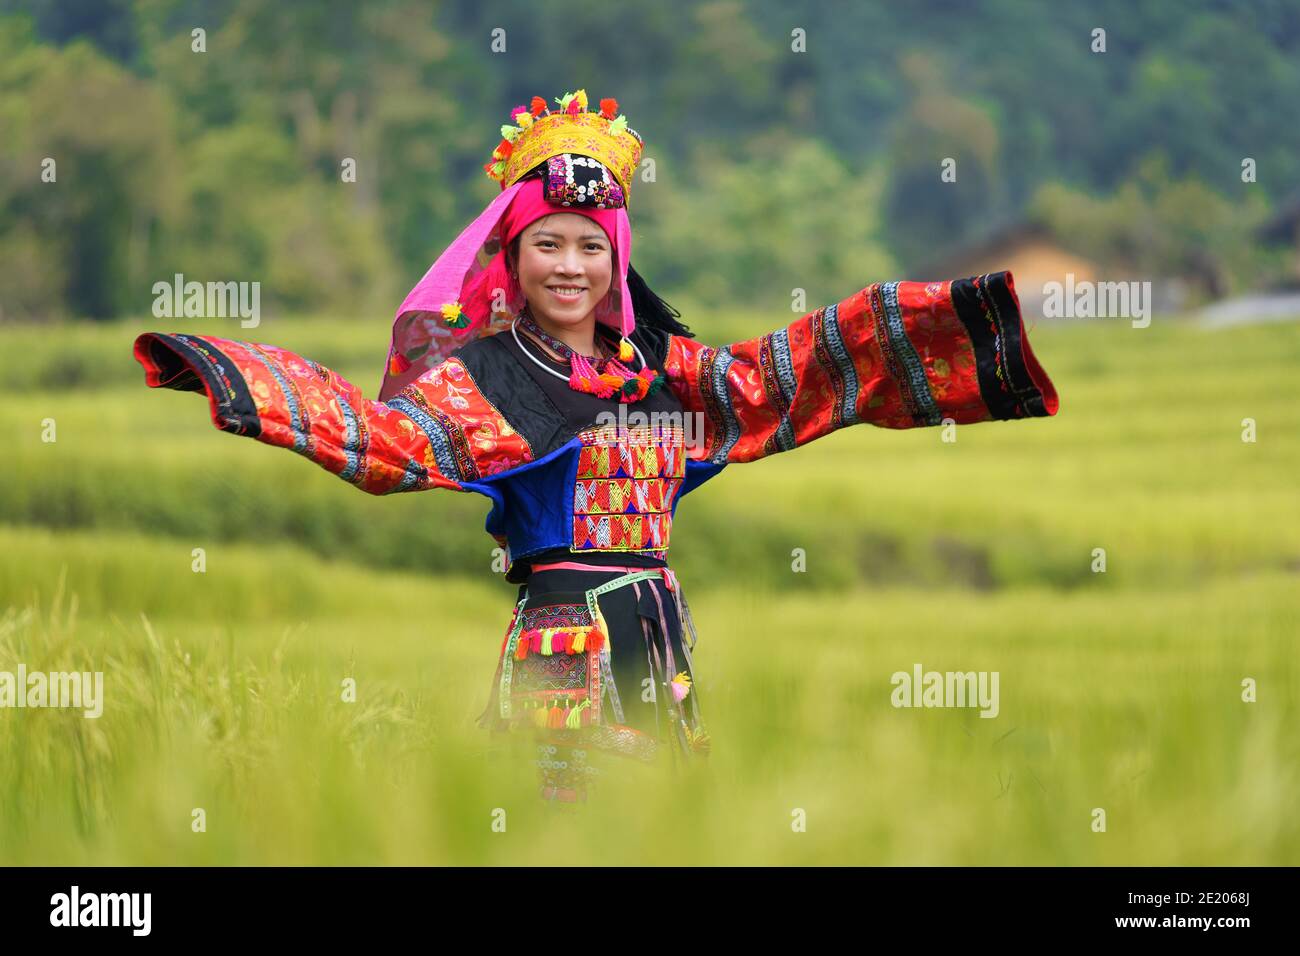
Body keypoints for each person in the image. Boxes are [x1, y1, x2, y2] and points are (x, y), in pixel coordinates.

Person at [132, 89, 1060, 803]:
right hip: (560, 642)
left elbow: (776, 383)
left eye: (589, 245)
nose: (569, 266)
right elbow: (385, 445)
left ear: (617, 257)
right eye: (547, 245)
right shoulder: (488, 376)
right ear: (512, 256)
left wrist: (944, 322)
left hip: (658, 641)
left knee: (665, 837)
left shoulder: (659, 368)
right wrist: (237, 376)